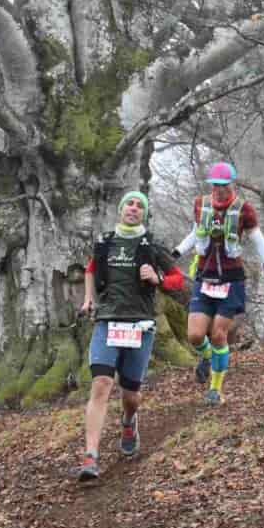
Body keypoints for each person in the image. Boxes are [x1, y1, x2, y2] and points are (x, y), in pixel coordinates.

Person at [76, 190, 186, 482]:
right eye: (129, 204)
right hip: (107, 321)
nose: (134, 208)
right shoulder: (105, 241)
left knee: (131, 395)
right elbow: (90, 269)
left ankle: (128, 420)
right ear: (120, 209)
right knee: (101, 384)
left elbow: (177, 279)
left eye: (140, 205)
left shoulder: (151, 245)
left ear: (144, 213)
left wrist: (158, 278)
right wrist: (88, 300)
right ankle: (91, 456)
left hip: (139, 324)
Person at [175, 161, 264, 406]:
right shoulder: (201, 204)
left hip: (231, 279)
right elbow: (195, 233)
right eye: (215, 186)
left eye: (224, 185)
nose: (219, 190)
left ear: (233, 184)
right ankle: (207, 358)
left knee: (218, 334)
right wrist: (174, 254)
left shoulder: (244, 210)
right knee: (195, 336)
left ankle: (215, 390)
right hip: (205, 278)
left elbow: (260, 243)